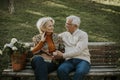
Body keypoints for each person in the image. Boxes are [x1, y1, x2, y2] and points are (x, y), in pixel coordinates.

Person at [54, 15, 91, 80]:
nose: (66, 25)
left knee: (80, 72)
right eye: (66, 23)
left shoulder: (83, 35)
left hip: (82, 60)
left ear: (76, 26)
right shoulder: (63, 35)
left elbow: (78, 50)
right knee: (61, 70)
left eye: (68, 24)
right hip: (69, 61)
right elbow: (52, 39)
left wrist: (62, 55)